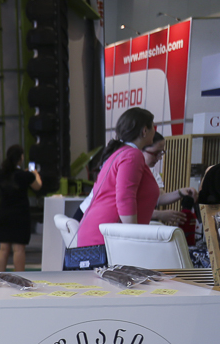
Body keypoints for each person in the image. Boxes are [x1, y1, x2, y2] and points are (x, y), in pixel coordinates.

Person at [75, 108, 197, 258]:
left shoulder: (121, 153)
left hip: (101, 234)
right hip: (106, 239)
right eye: (153, 127)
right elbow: (125, 198)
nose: (155, 131)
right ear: (145, 131)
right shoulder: (132, 155)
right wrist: (133, 239)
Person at [0, 144, 42, 272]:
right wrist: (34, 173)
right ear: (21, 158)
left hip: (4, 213)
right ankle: (20, 276)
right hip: (20, 215)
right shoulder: (24, 175)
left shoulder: (1, 174)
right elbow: (38, 186)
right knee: (19, 249)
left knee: (3, 248)